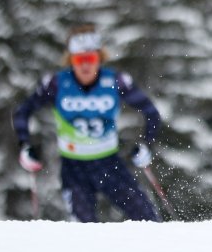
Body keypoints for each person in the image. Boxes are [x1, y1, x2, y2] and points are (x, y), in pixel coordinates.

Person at [12, 24, 162, 222]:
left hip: (109, 164)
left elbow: (151, 112)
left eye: (90, 59)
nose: (85, 66)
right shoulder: (56, 84)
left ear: (99, 58)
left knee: (148, 220)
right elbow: (23, 111)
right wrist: (25, 145)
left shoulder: (116, 81)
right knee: (83, 232)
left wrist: (146, 145)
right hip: (74, 169)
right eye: (79, 60)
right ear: (70, 60)